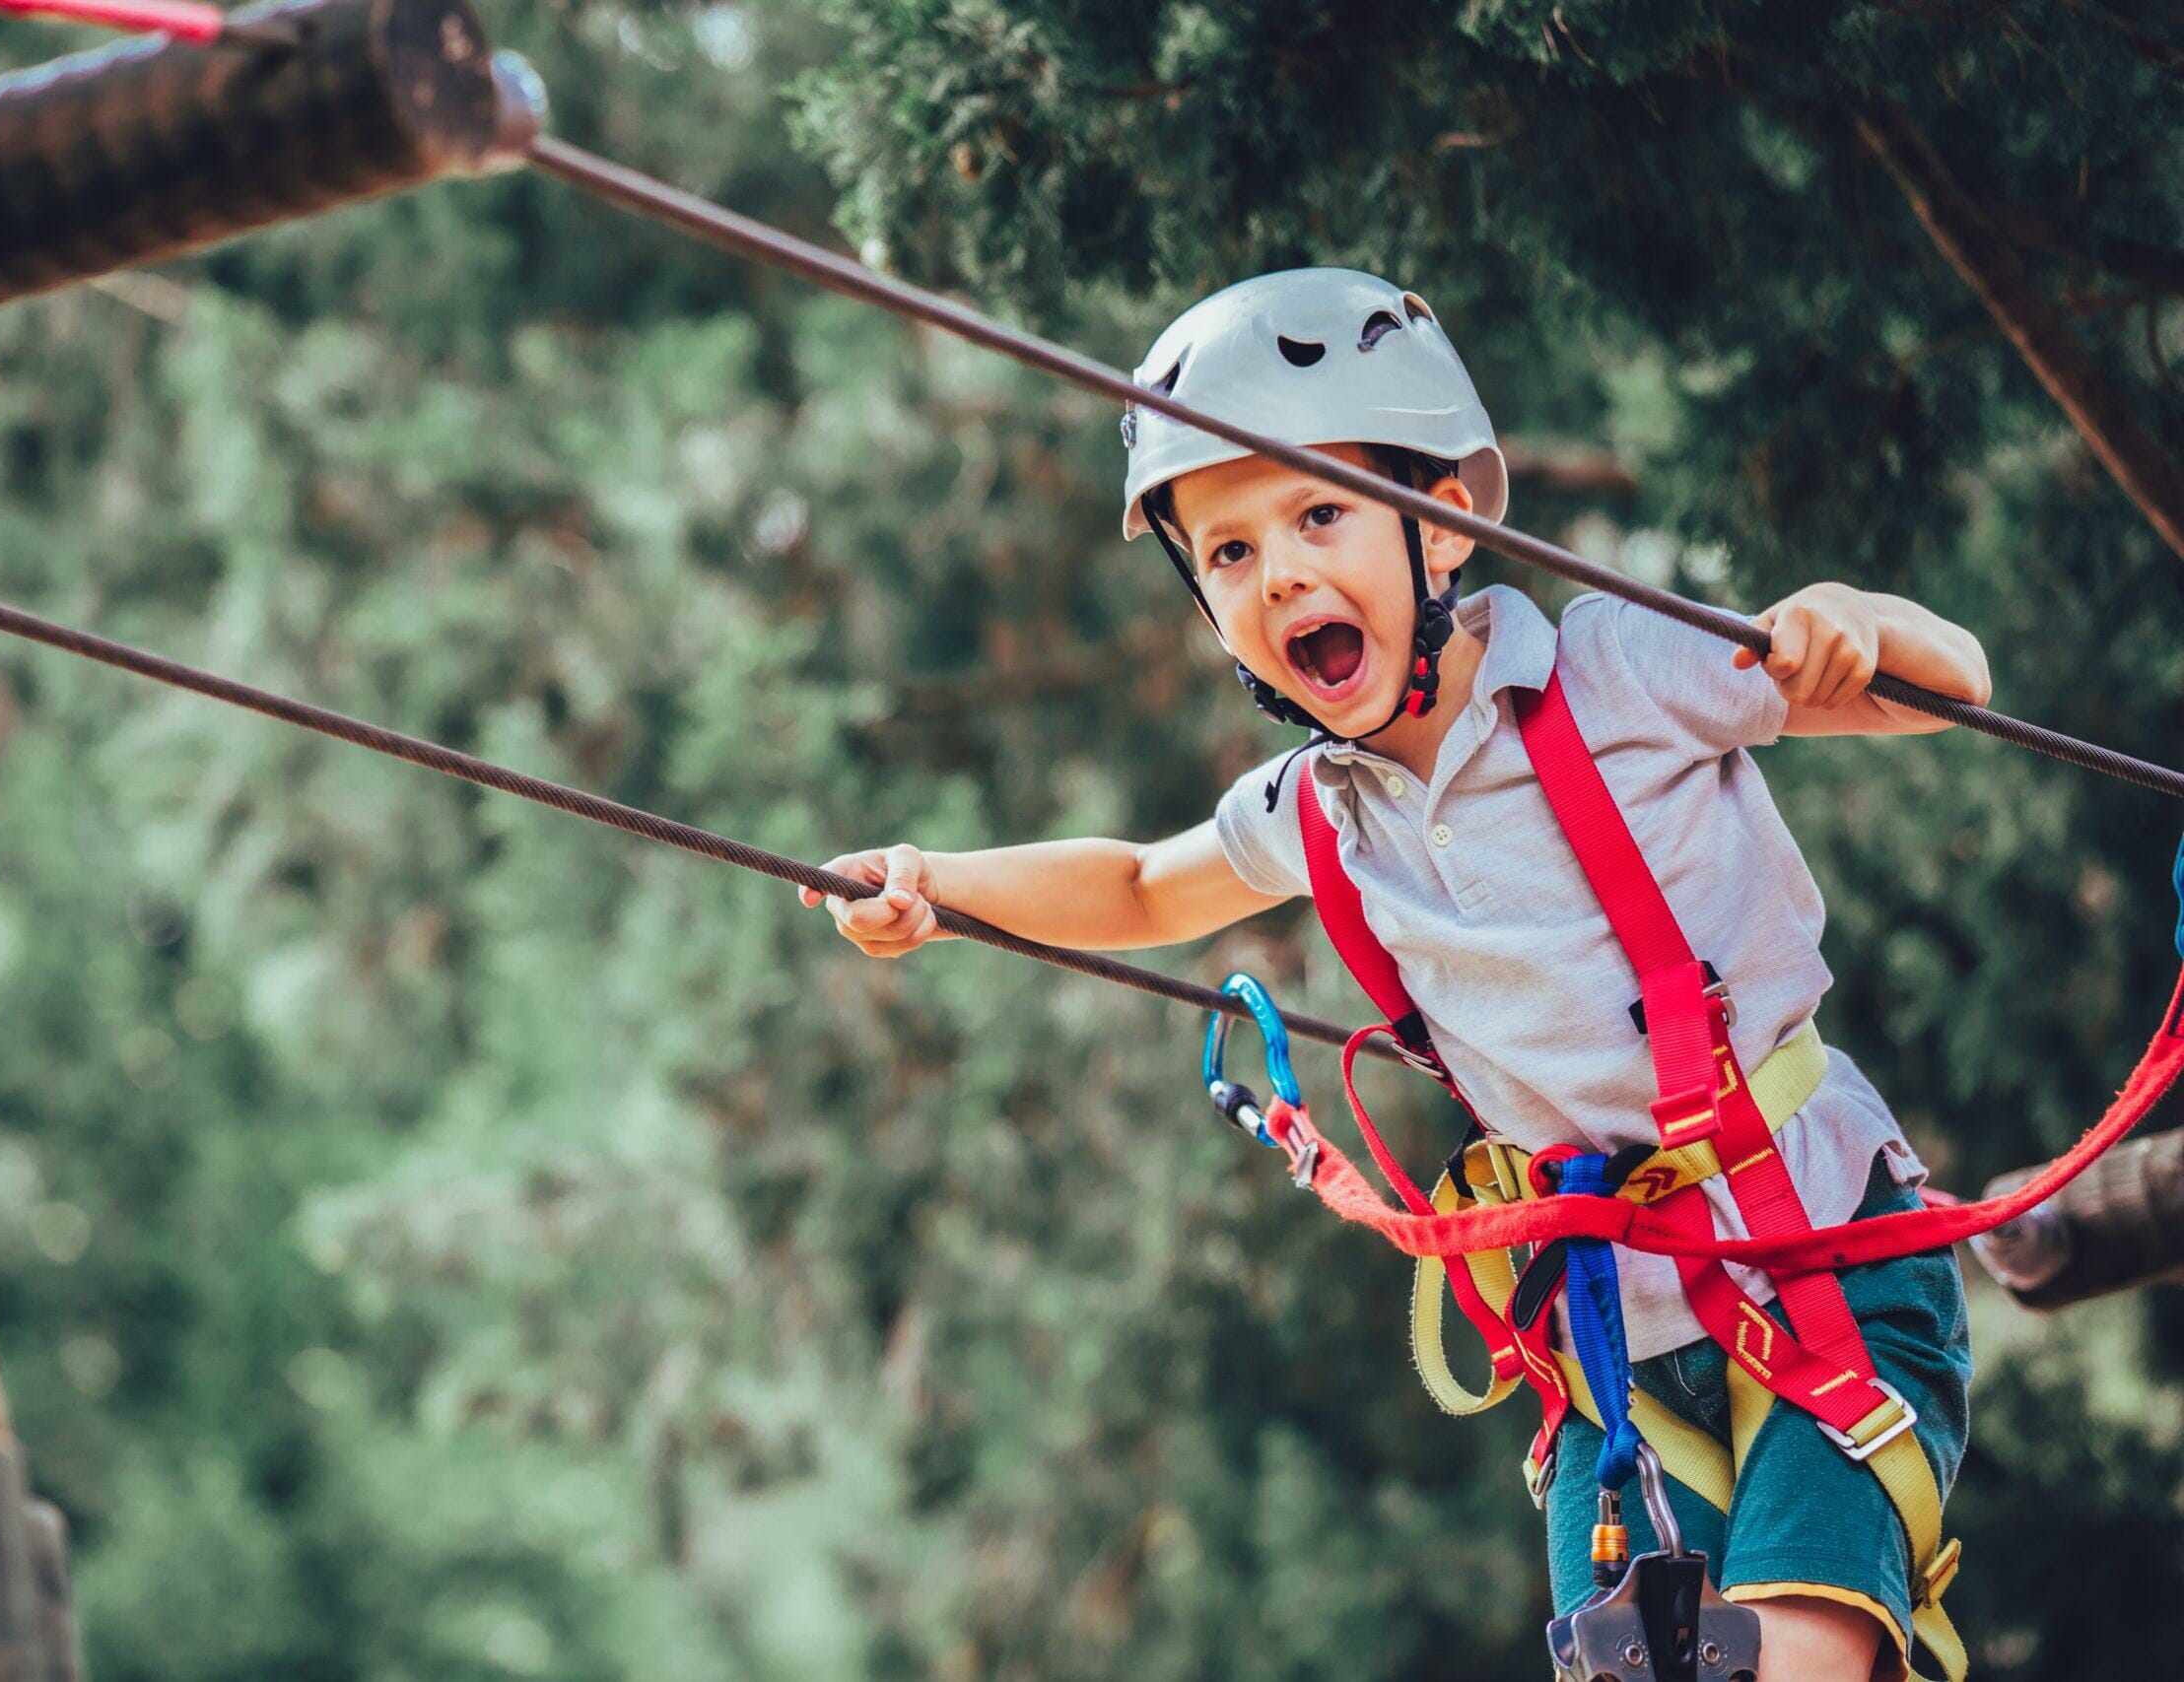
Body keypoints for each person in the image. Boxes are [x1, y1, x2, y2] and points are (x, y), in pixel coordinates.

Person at [796, 270, 1994, 1682]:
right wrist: (935, 887)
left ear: (1442, 525)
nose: (1283, 572)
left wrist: (1848, 613)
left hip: (1815, 1260)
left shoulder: (1623, 671)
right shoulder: (1315, 812)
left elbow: (1955, 685)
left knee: (1792, 1661)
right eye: (1230, 556)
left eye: (1317, 513)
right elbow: (1134, 883)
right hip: (1609, 1341)